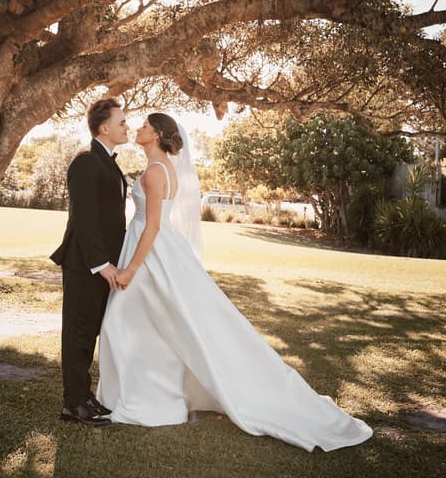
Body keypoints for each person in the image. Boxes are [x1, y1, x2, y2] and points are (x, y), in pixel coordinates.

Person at [97, 113, 373, 452]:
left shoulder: (155, 172)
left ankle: (145, 399)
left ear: (155, 134)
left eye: (144, 126)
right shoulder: (164, 167)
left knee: (120, 322)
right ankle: (149, 392)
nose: (137, 129)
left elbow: (152, 226)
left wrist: (130, 270)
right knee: (150, 325)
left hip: (151, 253)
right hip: (159, 248)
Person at [51, 98, 129, 426]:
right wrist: (101, 263)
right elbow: (84, 220)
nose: (127, 127)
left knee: (90, 332)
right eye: (122, 122)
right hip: (85, 264)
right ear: (104, 128)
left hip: (101, 265)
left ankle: (83, 397)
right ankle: (73, 405)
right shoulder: (85, 162)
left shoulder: (106, 161)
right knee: (78, 333)